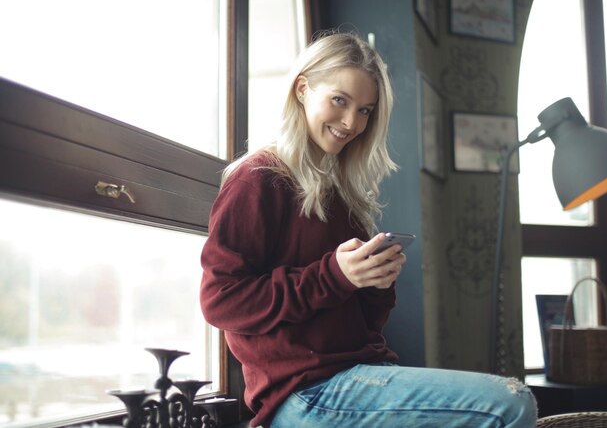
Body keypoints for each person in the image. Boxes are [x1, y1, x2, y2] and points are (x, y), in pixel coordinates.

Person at [199, 31, 537, 428]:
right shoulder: (258, 179)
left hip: (356, 375)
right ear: (303, 89)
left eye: (365, 111)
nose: (351, 122)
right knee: (510, 403)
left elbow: (362, 325)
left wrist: (374, 282)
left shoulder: (342, 195)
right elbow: (219, 301)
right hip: (304, 395)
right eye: (340, 101)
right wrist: (334, 275)